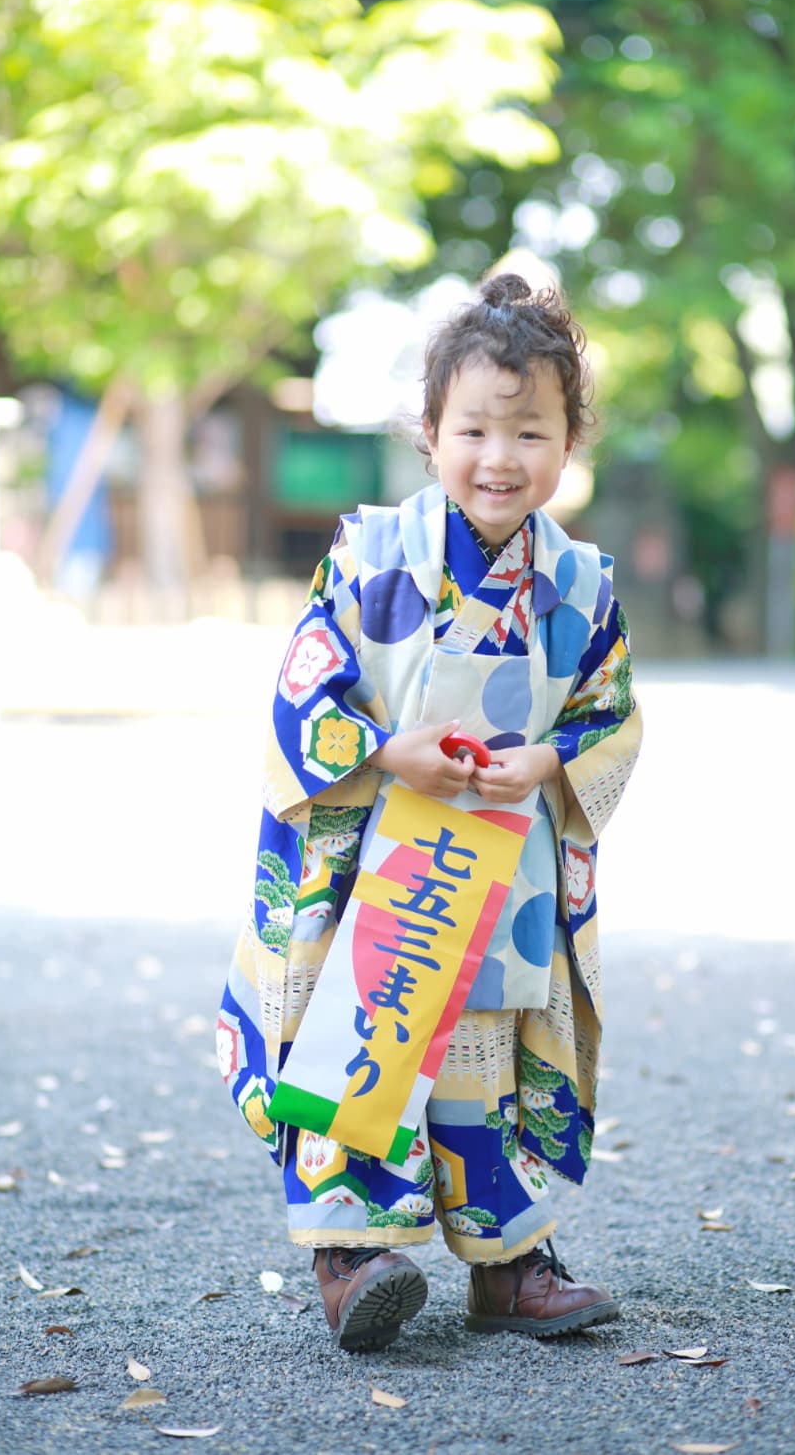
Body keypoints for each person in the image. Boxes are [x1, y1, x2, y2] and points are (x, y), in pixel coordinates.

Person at [215, 272, 641, 1352]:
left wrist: (547, 757)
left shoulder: (582, 586)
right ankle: (349, 1254)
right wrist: (381, 750)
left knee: (478, 1042)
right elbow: (301, 692)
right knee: (363, 1030)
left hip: (498, 854)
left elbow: (610, 715)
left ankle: (505, 1260)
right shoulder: (369, 558)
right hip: (373, 851)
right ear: (428, 431)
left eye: (529, 433)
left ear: (568, 441)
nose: (499, 459)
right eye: (474, 430)